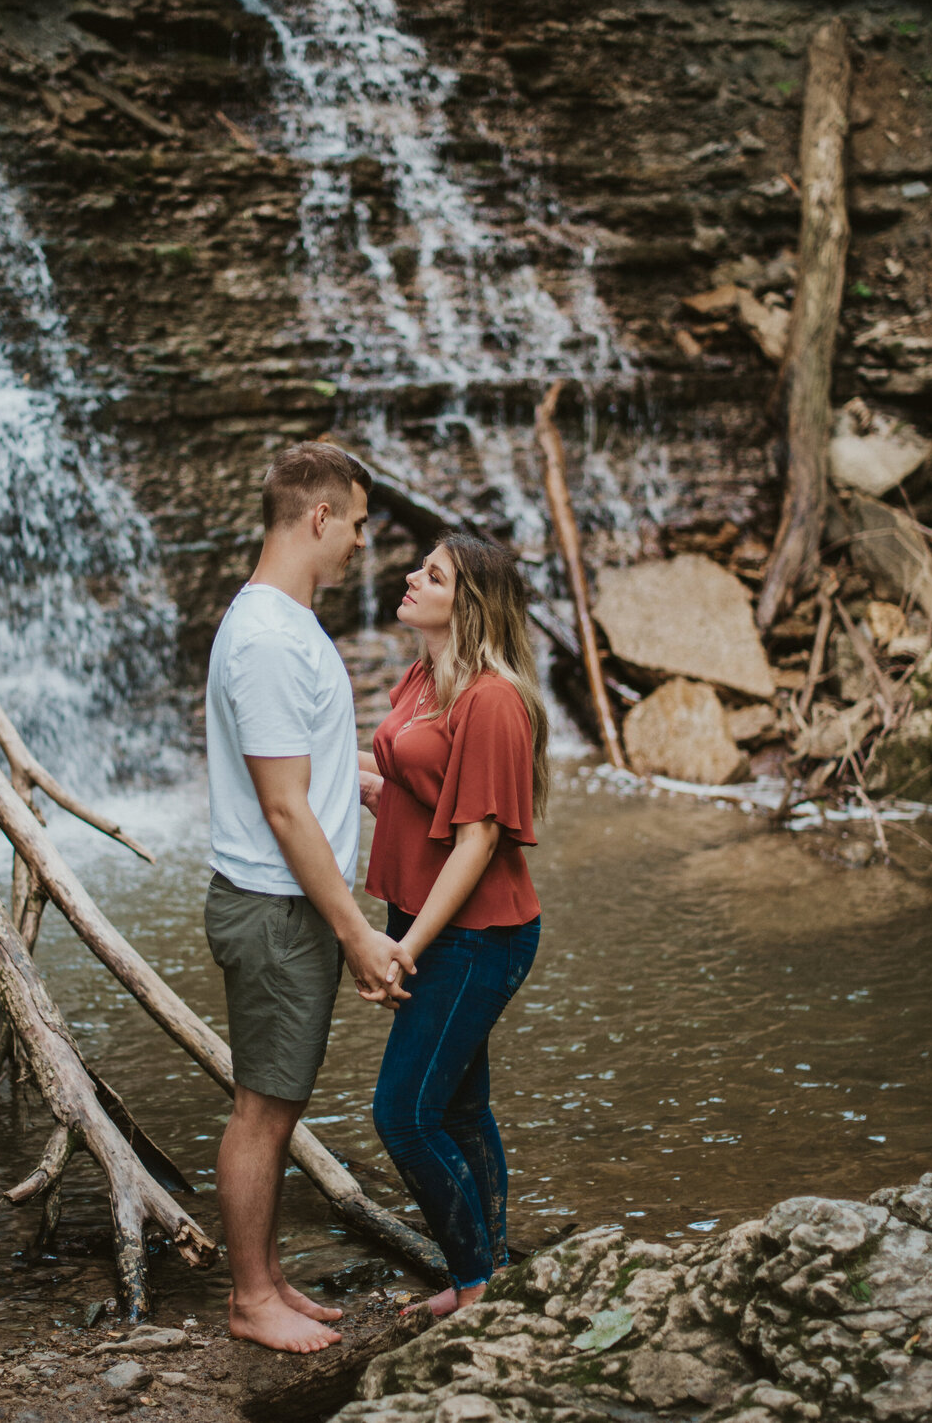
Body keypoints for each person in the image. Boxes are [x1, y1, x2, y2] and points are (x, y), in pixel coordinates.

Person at [204, 441, 415, 1355]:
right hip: (278, 909)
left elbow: (301, 774)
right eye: (360, 524)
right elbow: (284, 810)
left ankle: (269, 1275)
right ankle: (251, 1298)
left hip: (286, 905)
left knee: (277, 1103)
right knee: (263, 1110)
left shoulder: (284, 624)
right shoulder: (264, 639)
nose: (364, 545)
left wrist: (362, 777)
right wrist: (358, 933)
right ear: (320, 516)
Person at [360, 533, 549, 1319]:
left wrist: (408, 945)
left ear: (468, 605)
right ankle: (490, 1273)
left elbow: (478, 840)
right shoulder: (425, 675)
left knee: (402, 1115)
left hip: (477, 934)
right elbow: (402, 781)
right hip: (432, 921)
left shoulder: (493, 700)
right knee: (461, 1109)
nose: (410, 577)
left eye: (431, 574)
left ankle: (473, 1281)